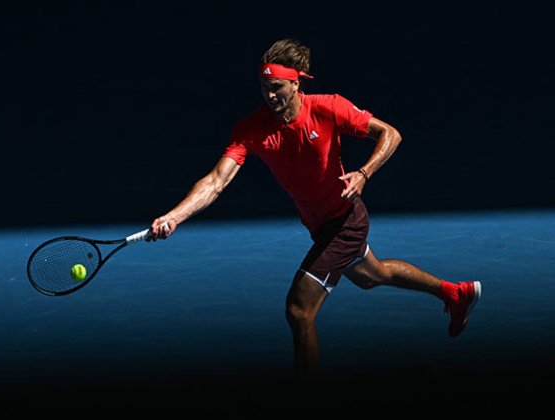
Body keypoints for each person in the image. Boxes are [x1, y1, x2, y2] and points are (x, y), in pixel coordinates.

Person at [146, 38, 481, 378]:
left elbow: (391, 135)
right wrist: (175, 216)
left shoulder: (328, 107)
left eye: (277, 87)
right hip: (319, 226)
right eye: (264, 88)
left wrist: (364, 173)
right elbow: (217, 181)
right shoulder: (252, 128)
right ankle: (456, 294)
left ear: (297, 81)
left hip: (345, 220)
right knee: (372, 276)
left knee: (299, 310)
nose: (270, 96)